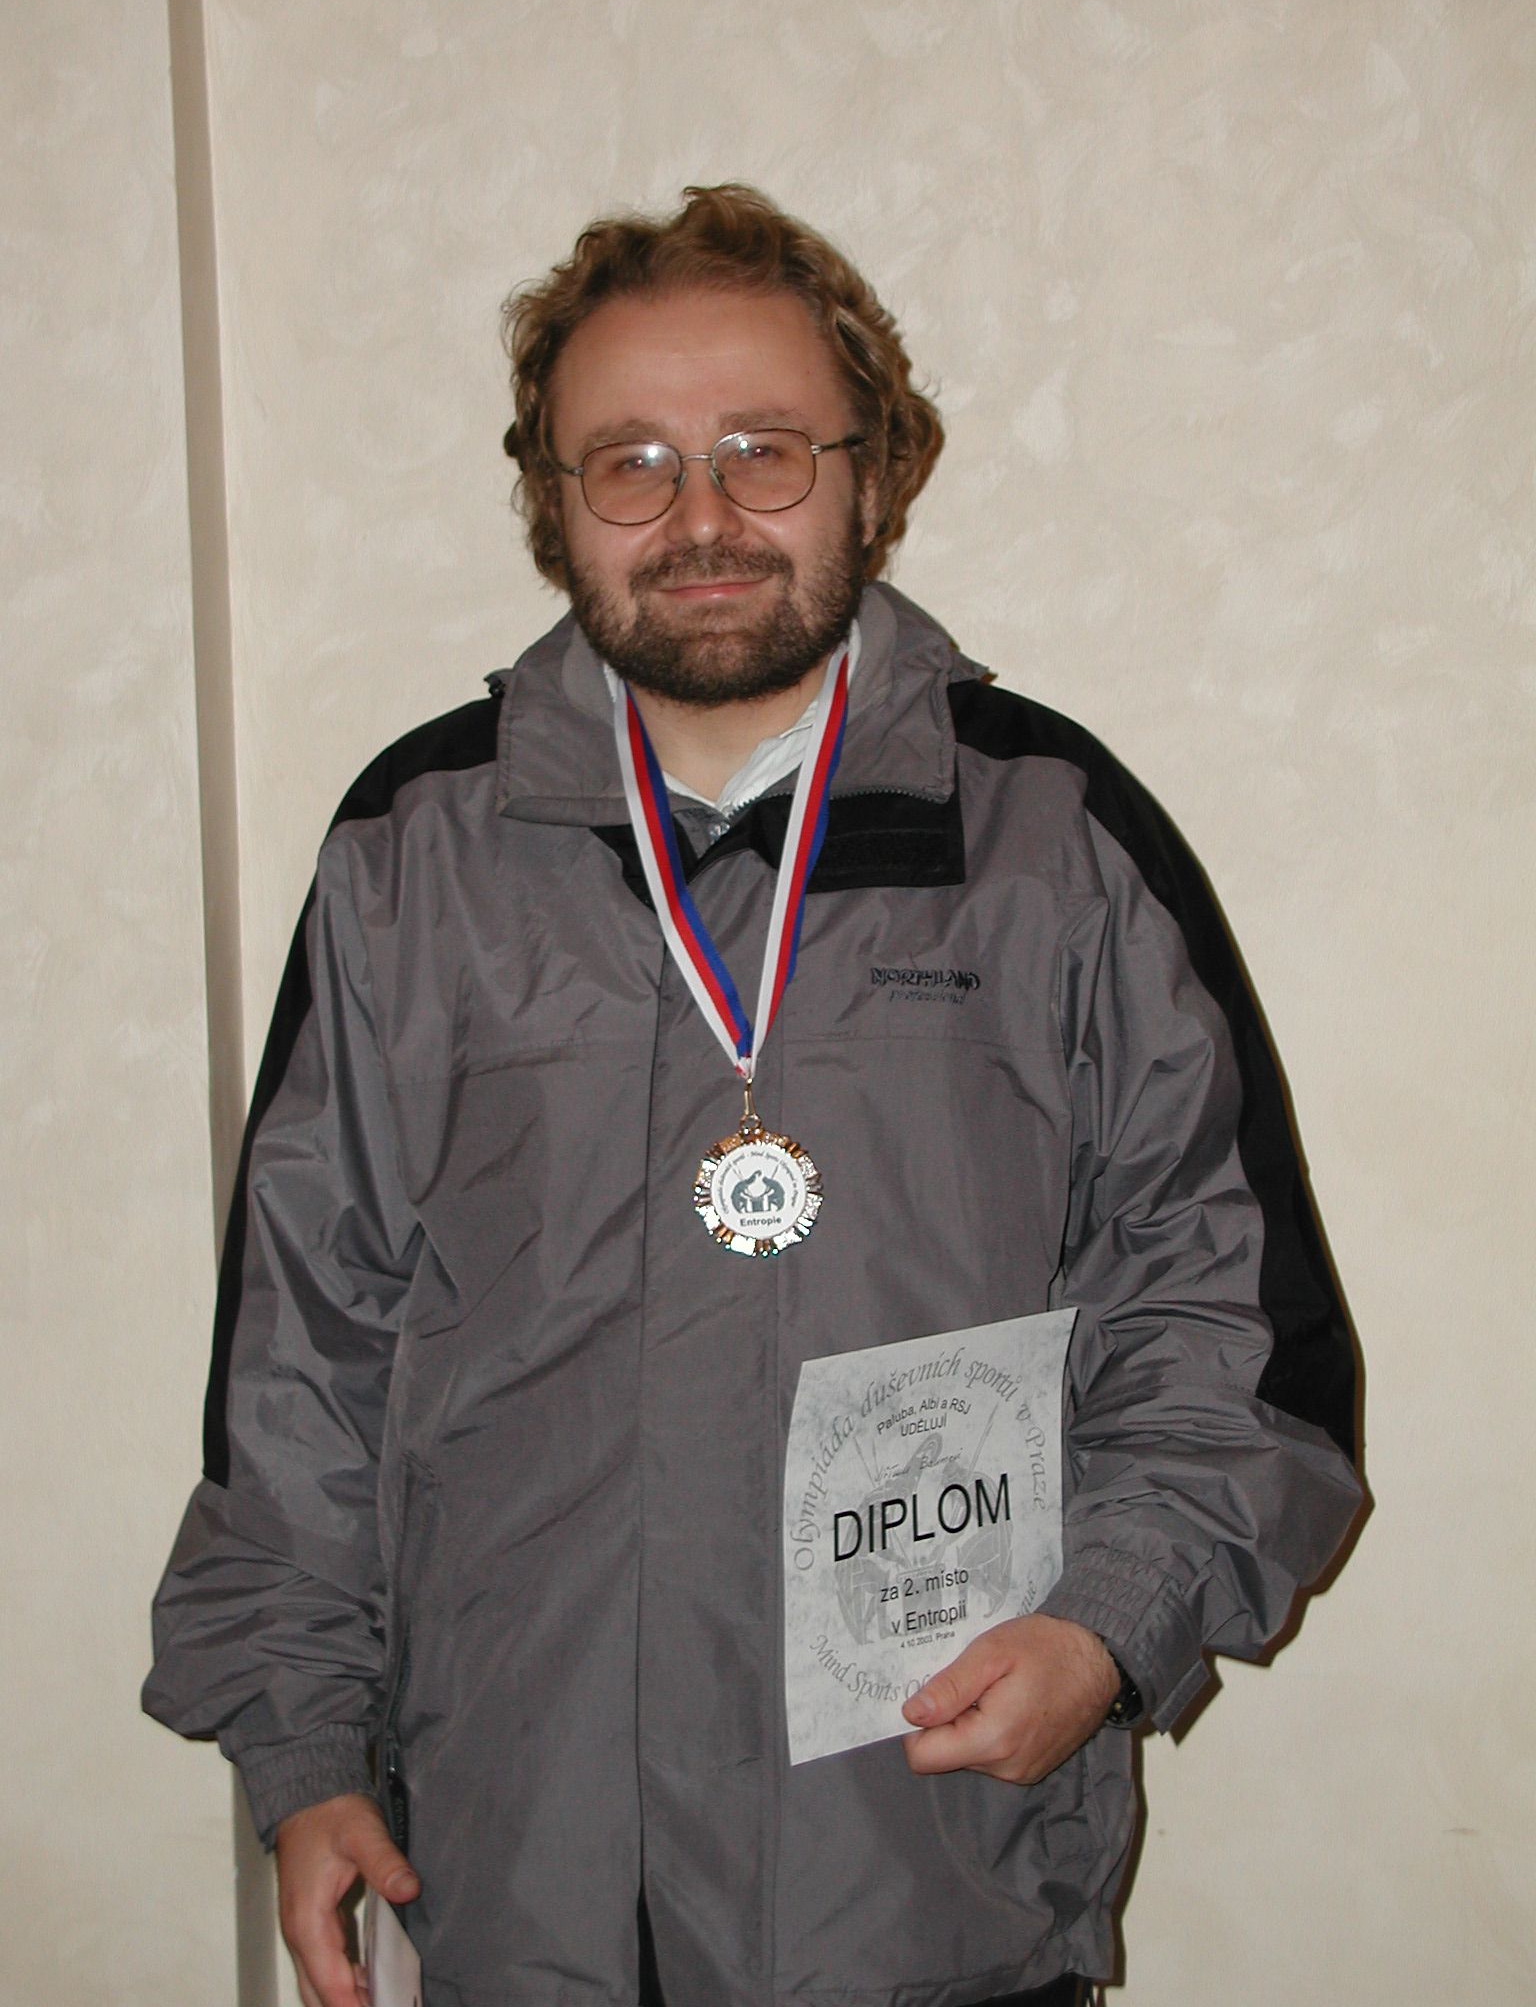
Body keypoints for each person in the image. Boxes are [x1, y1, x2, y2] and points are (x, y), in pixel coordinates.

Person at [145, 184, 1363, 2007]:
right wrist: (303, 1750)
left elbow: (1236, 1340)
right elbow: (302, 1367)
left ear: (877, 470)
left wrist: (1109, 1630)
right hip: (519, 1884)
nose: (701, 514)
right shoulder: (413, 858)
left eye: (764, 450)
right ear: (553, 503)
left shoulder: (1058, 844)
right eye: (629, 461)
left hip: (931, 1884)